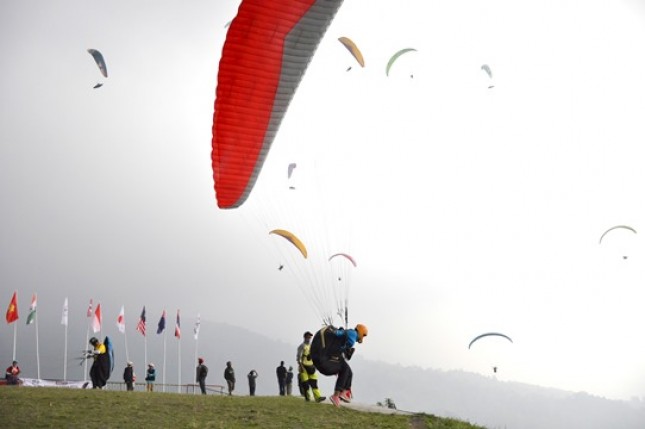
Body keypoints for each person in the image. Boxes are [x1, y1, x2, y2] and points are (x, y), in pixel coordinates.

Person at [311, 324, 368, 407]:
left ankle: (343, 392)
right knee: (345, 369)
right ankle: (338, 394)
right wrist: (346, 346)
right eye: (364, 335)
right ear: (361, 331)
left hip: (320, 362)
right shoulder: (353, 333)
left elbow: (339, 343)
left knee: (347, 370)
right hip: (324, 361)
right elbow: (339, 334)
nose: (363, 337)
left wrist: (345, 349)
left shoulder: (346, 334)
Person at [296, 331, 325, 402]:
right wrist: (301, 366)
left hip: (311, 366)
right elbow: (298, 358)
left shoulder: (312, 346)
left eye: (310, 337)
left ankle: (318, 397)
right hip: (303, 367)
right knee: (306, 384)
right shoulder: (302, 346)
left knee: (314, 383)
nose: (309, 338)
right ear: (305, 337)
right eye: (308, 337)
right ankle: (307, 398)